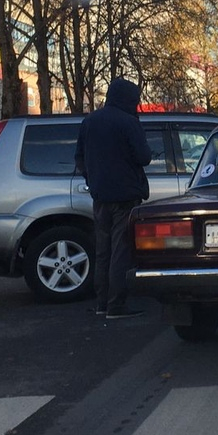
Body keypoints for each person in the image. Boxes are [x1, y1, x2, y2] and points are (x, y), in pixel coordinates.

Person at [75, 77, 152, 319]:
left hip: (99, 196)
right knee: (121, 250)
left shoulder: (90, 121)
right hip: (125, 196)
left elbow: (79, 157)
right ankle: (117, 305)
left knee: (103, 251)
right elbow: (144, 157)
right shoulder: (129, 122)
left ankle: (102, 304)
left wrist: (92, 179)